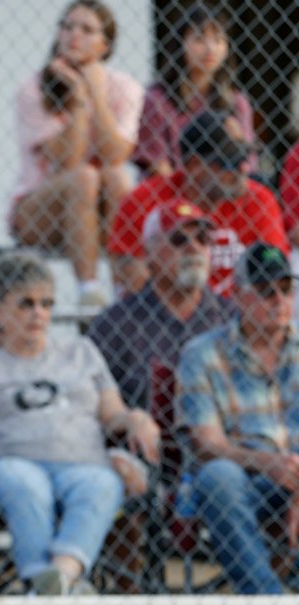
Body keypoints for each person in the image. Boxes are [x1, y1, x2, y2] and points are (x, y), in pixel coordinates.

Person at [0, 252, 159, 595]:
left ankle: (57, 578)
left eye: (46, 304)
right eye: (26, 304)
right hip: (9, 463)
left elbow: (113, 415)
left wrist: (136, 418)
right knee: (27, 484)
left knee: (101, 484)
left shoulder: (82, 352)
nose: (39, 313)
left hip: (82, 461)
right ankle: (51, 583)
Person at [177, 243, 299, 595]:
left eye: (286, 290)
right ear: (238, 297)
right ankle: (268, 602)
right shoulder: (202, 353)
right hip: (246, 478)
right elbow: (207, 444)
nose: (279, 300)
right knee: (217, 476)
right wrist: (271, 464)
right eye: (265, 292)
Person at [9, 0, 143, 307]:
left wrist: (96, 90)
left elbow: (115, 155)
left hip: (99, 213)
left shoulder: (124, 87)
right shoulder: (34, 89)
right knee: (83, 176)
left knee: (114, 177)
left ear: (105, 45)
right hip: (40, 212)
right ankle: (89, 290)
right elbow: (66, 161)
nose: (74, 36)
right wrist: (80, 99)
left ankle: (126, 293)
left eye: (86, 30)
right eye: (67, 26)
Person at [109, 111, 287, 298]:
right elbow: (131, 283)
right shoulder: (144, 201)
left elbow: (274, 273)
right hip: (168, 318)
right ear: (194, 165)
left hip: (239, 317)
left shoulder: (259, 200)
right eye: (230, 162)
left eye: (244, 158)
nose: (243, 169)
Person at [88, 199, 233, 411]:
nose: (193, 248)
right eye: (178, 240)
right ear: (148, 254)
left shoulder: (232, 317)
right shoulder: (114, 324)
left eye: (202, 239)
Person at [133, 5, 256, 178]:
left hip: (223, 191)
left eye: (218, 39)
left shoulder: (236, 102)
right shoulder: (158, 99)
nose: (210, 48)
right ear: (181, 44)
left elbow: (247, 163)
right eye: (199, 39)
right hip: (171, 191)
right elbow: (157, 165)